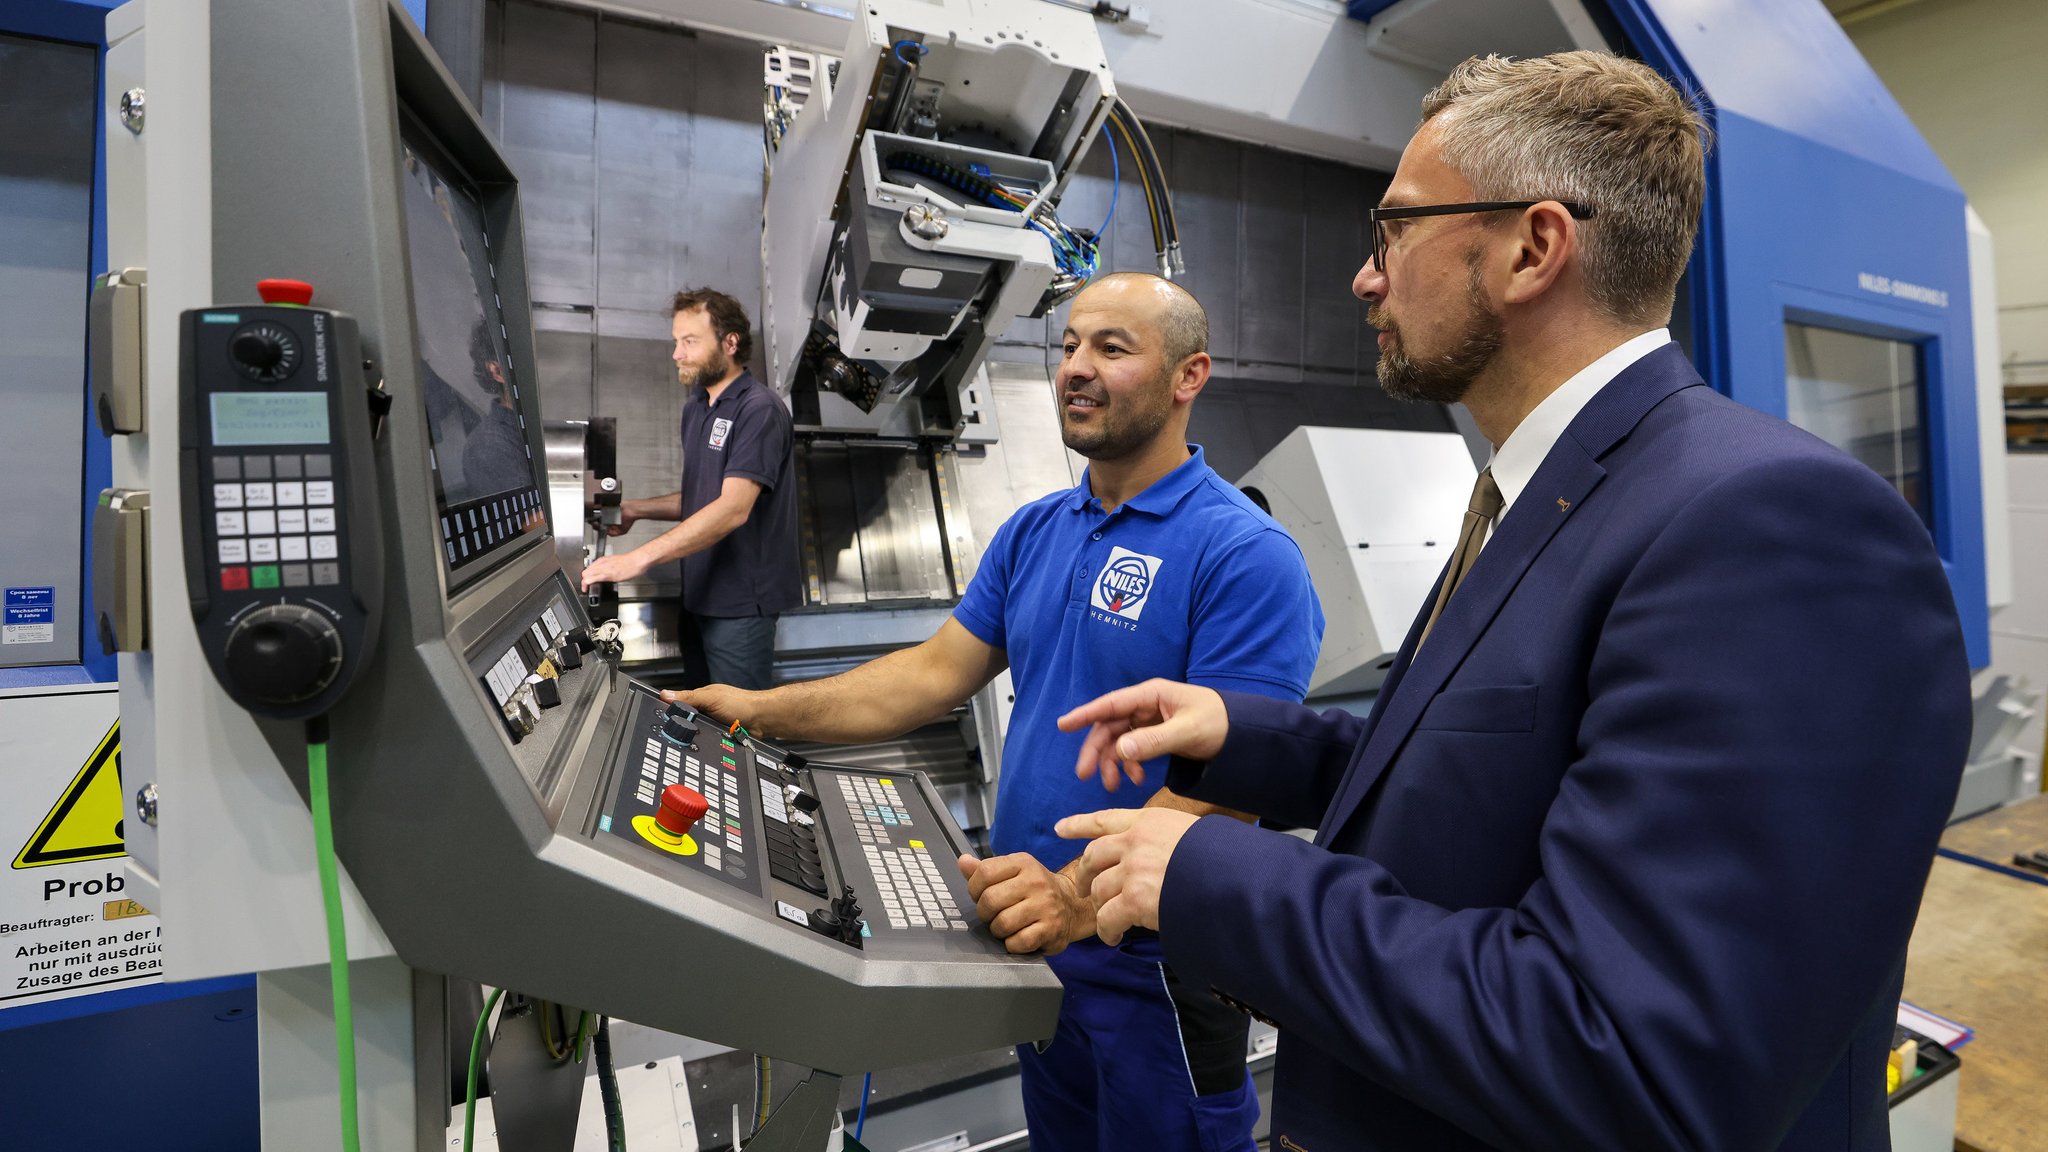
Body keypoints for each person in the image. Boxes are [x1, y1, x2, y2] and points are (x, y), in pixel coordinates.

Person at [1055, 52, 1972, 1152]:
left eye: (1392, 230)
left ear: (1532, 248)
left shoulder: (1767, 524)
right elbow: (1495, 790)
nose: (1365, 276)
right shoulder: (1548, 489)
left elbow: (1632, 1054)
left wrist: (1216, 875)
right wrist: (1247, 739)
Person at [670, 272, 1324, 1152]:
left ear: (1188, 377)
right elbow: (930, 675)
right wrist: (760, 710)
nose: (1076, 369)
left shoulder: (1243, 555)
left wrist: (1072, 894)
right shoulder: (1036, 530)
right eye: (1068, 346)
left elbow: (1233, 788)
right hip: (1035, 941)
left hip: (1152, 967)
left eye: (1112, 349)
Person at [581, 288, 800, 690]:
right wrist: (636, 509)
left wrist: (637, 560)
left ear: (730, 342)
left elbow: (733, 508)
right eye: (675, 342)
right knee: (701, 723)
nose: (676, 354)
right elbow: (703, 499)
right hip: (697, 598)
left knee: (740, 734)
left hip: (740, 608)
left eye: (690, 341)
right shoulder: (696, 408)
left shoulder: (759, 409)